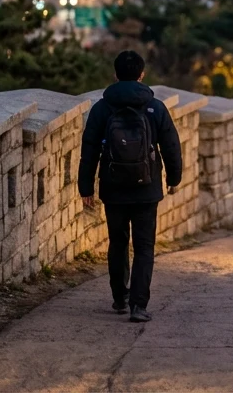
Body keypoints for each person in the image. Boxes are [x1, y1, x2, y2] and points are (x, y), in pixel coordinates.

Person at [79, 51, 182, 323]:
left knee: (118, 242)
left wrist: (86, 187)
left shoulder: (102, 109)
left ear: (115, 75)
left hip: (113, 187)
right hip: (147, 187)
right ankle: (139, 305)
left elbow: (89, 149)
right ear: (141, 75)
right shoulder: (155, 107)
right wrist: (174, 179)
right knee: (145, 246)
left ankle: (119, 297)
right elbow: (171, 145)